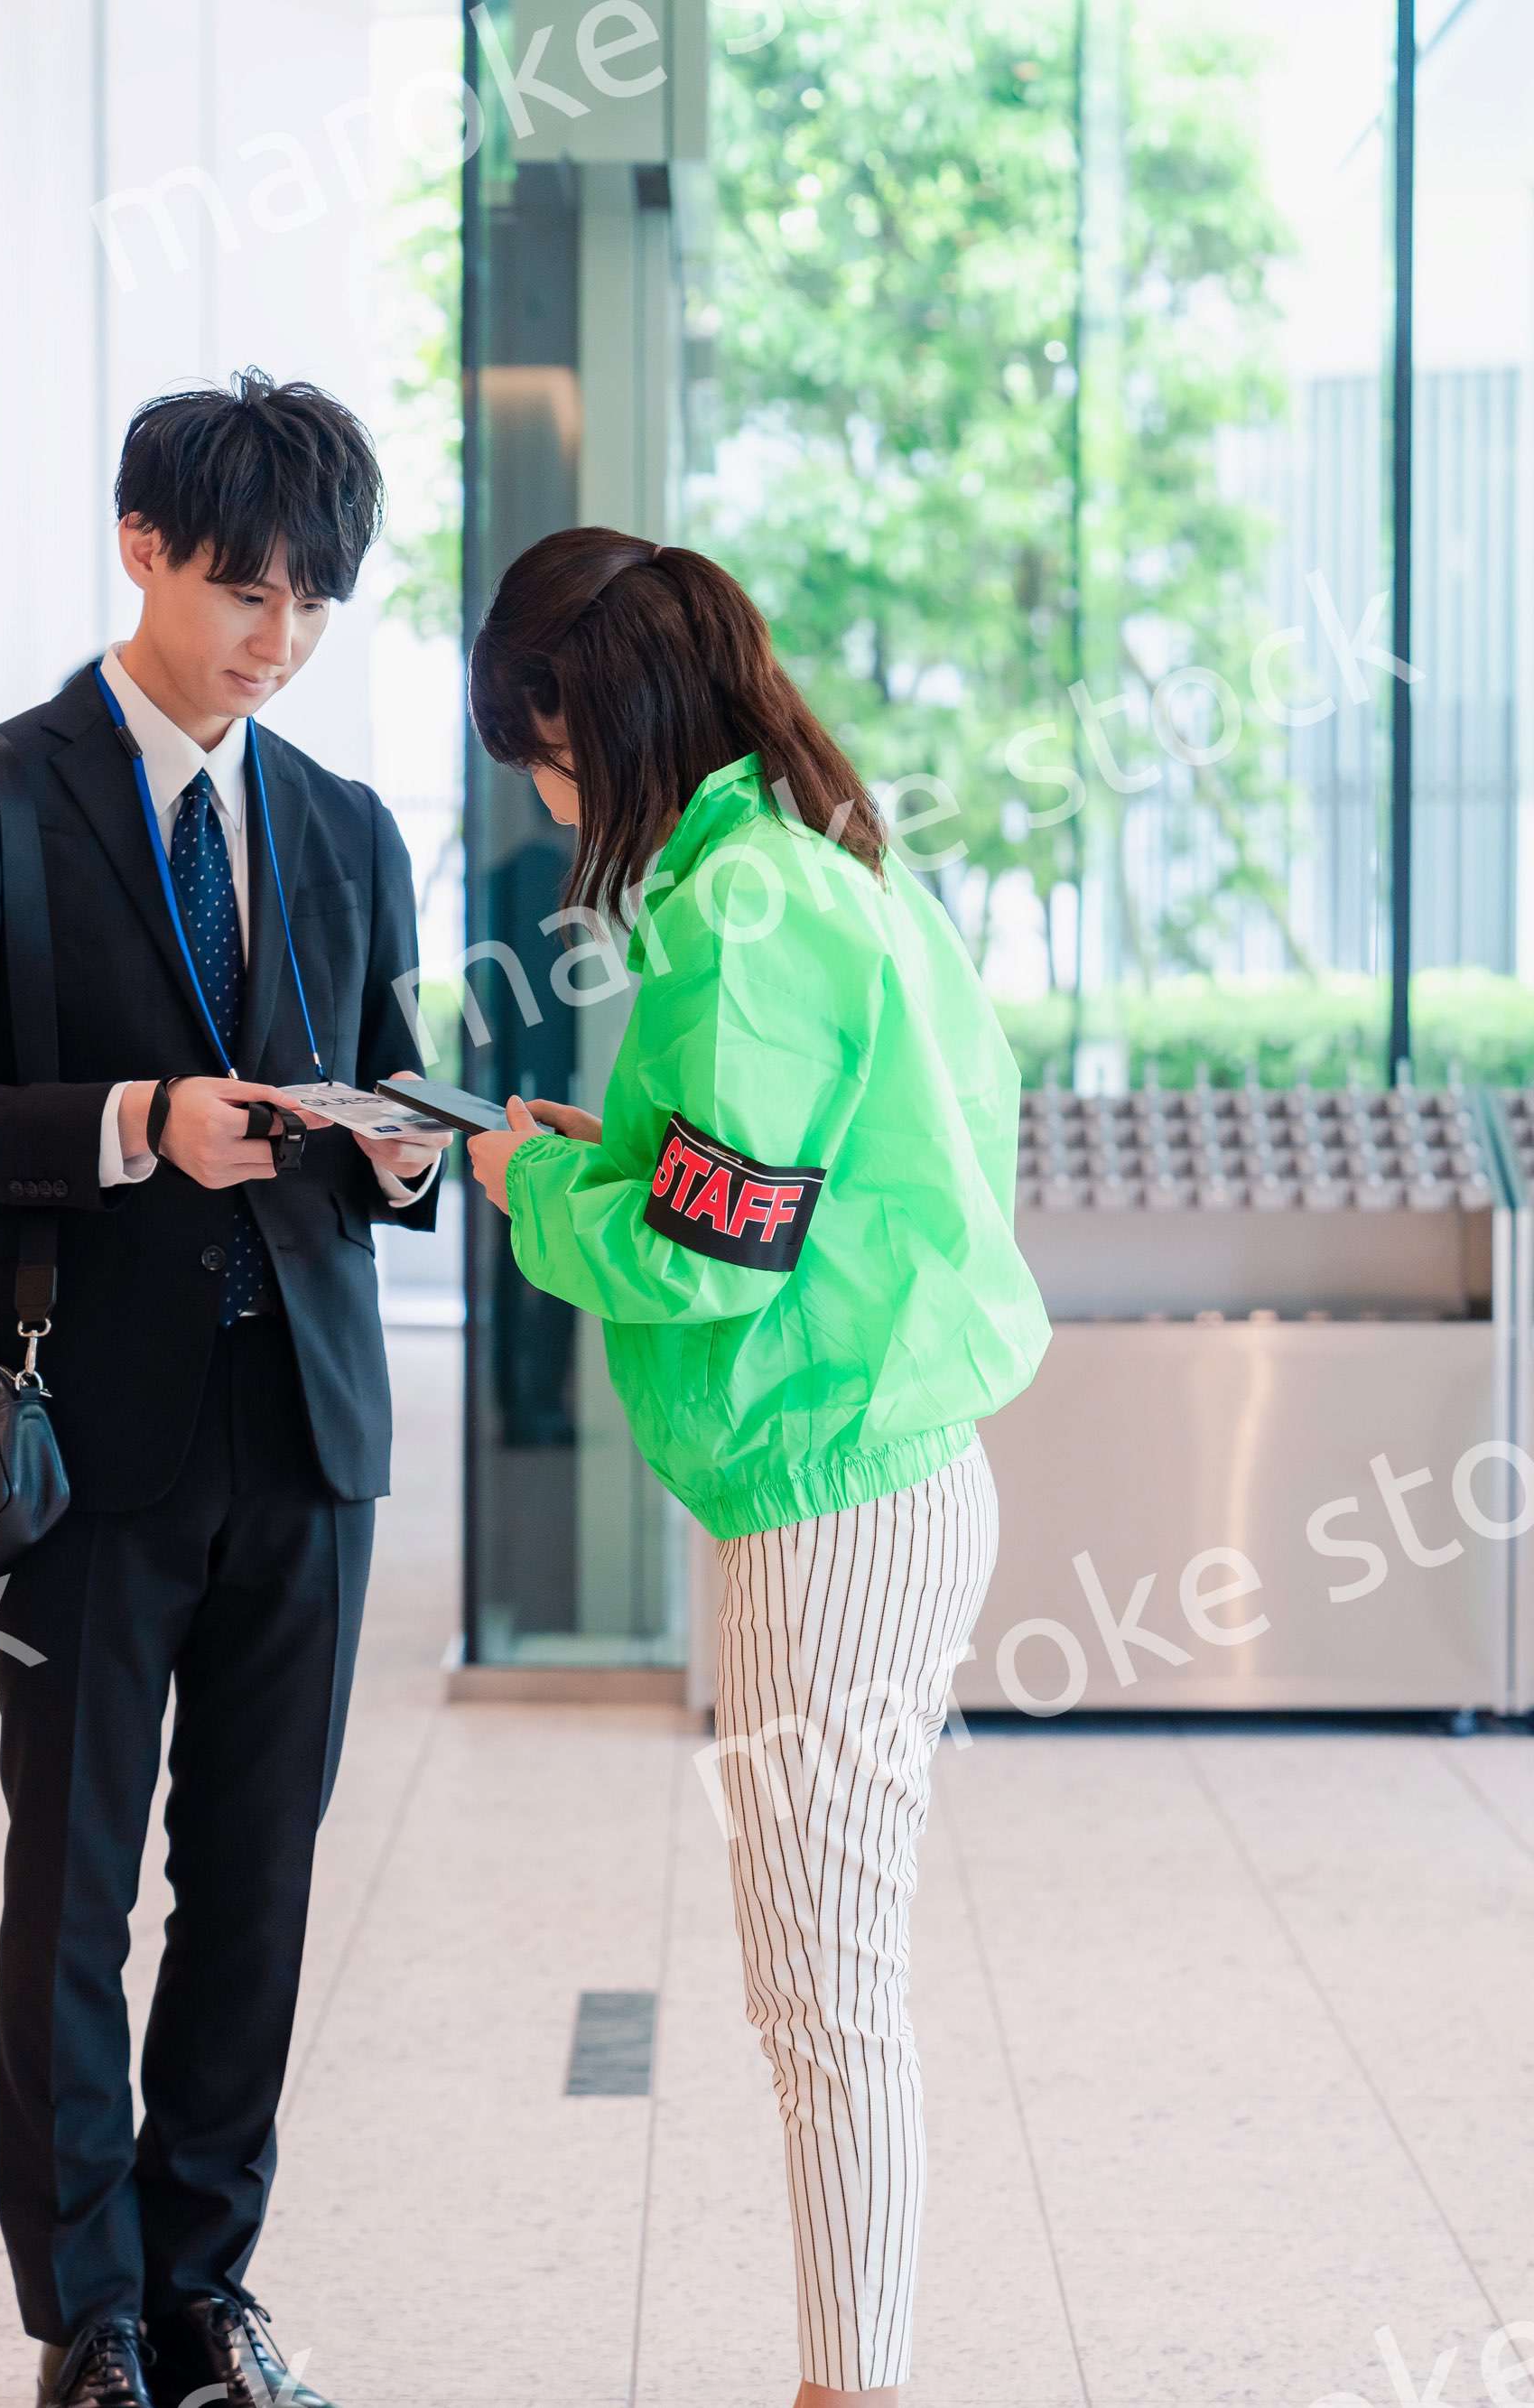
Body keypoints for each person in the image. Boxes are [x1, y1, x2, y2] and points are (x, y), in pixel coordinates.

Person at [0, 371, 445, 2408]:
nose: (273, 640)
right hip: (84, 1430)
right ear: (139, 544)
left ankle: (207, 2284)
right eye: (241, 589)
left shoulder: (347, 828)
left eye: (312, 605)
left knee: (260, 1889)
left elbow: (380, 1072)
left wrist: (404, 1149)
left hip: (307, 1432)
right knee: (74, 1886)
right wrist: (127, 1121)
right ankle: (85, 2314)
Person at [460, 529, 1049, 2408]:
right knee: (827, 1970)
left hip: (830, 1502)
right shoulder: (816, 870)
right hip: (870, 1468)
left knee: (817, 1985)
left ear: (596, 719)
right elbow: (764, 1178)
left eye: (539, 753)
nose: (548, 796)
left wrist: (524, 1180)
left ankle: (848, 2386)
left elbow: (712, 1247)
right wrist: (597, 1147)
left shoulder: (740, 913)